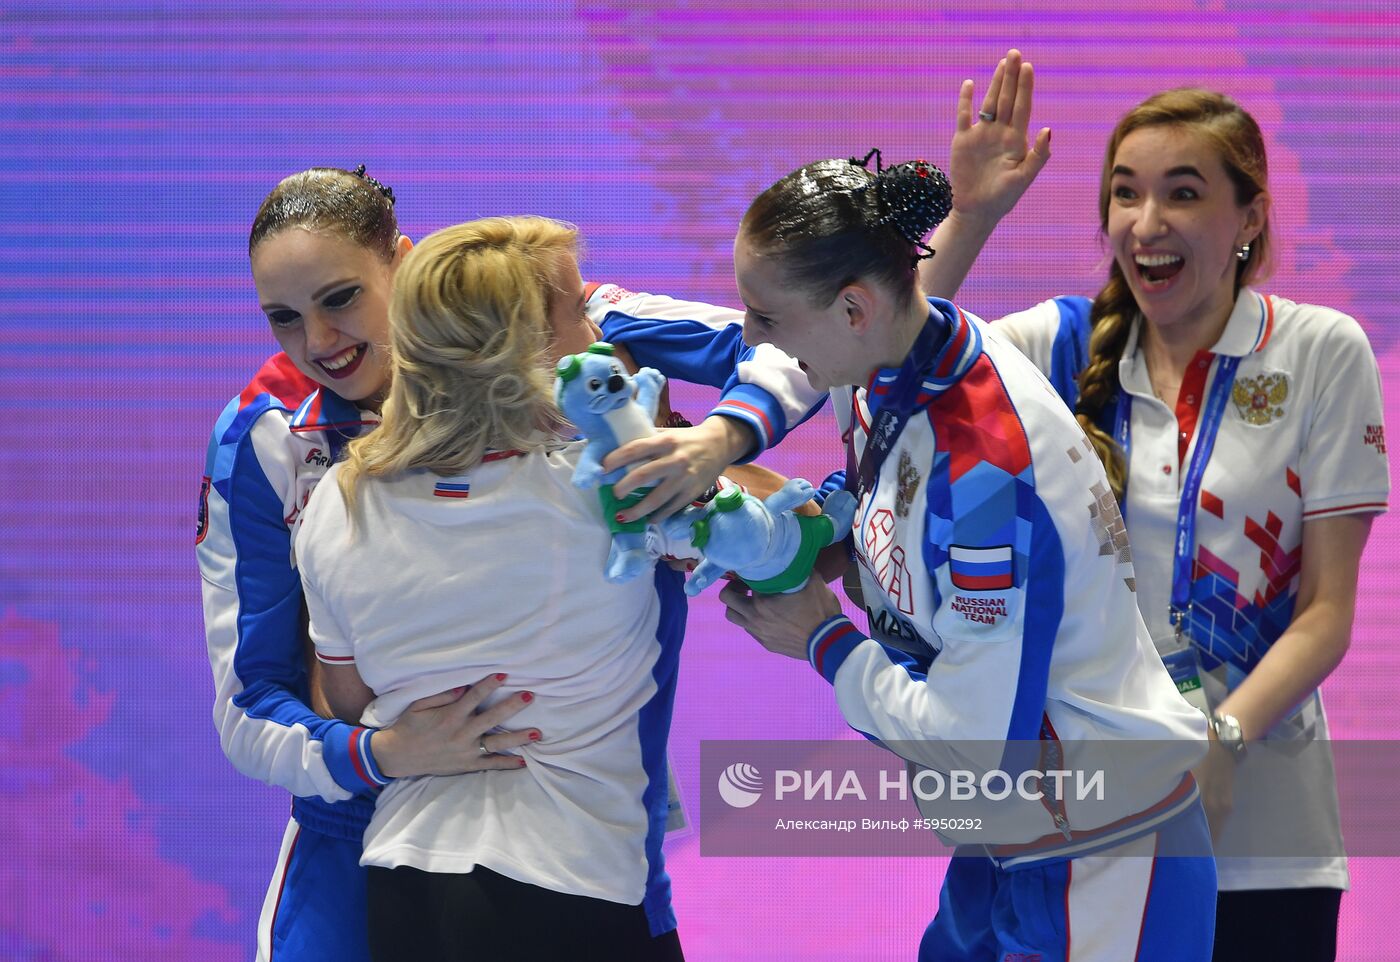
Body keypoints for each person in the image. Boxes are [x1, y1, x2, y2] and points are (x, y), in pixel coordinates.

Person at [197, 167, 814, 961]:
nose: (318, 342)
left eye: (341, 298)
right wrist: (383, 753)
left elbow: (825, 344)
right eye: (283, 318)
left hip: (585, 839)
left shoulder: (565, 325)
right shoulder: (270, 441)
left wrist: (710, 447)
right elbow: (249, 706)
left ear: (405, 264)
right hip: (365, 841)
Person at [717, 116, 1218, 962]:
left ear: (852, 307)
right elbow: (884, 485)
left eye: (766, 317)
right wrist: (823, 536)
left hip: (1102, 859)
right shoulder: (885, 361)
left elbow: (977, 747)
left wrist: (824, 639)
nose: (753, 341)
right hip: (1007, 846)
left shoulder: (987, 474)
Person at [986, 88, 1388, 962]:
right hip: (1090, 830)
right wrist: (974, 212)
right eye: (1126, 193)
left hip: (1264, 837)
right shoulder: (1059, 346)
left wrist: (1222, 742)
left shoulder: (1321, 350)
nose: (1146, 221)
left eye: (1184, 191)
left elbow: (1325, 610)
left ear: (1251, 216)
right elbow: (902, 350)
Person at [293, 216, 692, 961]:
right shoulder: (609, 494)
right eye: (579, 310)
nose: (600, 323)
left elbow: (342, 703)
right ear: (526, 353)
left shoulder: (335, 504)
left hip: (404, 892)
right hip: (578, 893)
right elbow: (798, 528)